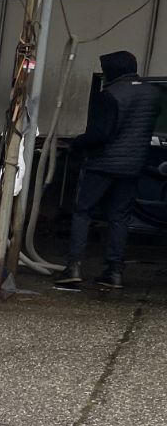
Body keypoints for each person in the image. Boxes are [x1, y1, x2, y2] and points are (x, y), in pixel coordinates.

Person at [54, 49, 162, 291]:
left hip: (103, 164)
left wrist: (77, 144)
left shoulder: (110, 95)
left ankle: (73, 268)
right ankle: (114, 272)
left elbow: (100, 134)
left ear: (113, 70)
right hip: (132, 166)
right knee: (120, 216)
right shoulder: (153, 94)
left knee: (83, 211)